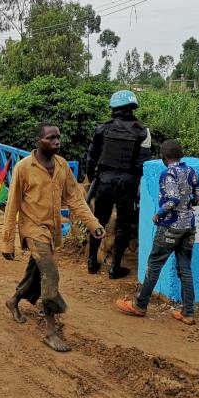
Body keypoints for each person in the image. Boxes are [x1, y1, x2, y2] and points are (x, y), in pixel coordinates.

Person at [2, 123, 106, 352]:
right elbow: (12, 206)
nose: (57, 142)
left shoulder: (62, 166)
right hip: (33, 229)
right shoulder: (23, 168)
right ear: (38, 141)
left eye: (58, 138)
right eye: (51, 138)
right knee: (50, 274)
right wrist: (7, 241)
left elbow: (75, 199)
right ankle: (51, 331)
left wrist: (93, 224)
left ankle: (14, 300)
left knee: (35, 274)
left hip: (52, 230)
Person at [116, 140, 199, 325]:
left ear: (163, 158)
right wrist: (186, 206)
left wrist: (159, 213)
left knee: (154, 264)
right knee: (185, 269)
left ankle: (140, 305)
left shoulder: (168, 172)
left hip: (170, 225)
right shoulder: (192, 171)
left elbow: (172, 198)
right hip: (189, 226)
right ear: (181, 155)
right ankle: (188, 312)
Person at [84, 89, 151, 279]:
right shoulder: (143, 132)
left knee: (98, 220)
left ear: (113, 109)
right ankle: (115, 268)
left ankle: (91, 262)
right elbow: (142, 165)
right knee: (123, 224)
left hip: (104, 180)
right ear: (133, 107)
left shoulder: (101, 129)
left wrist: (93, 179)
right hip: (127, 183)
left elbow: (91, 158)